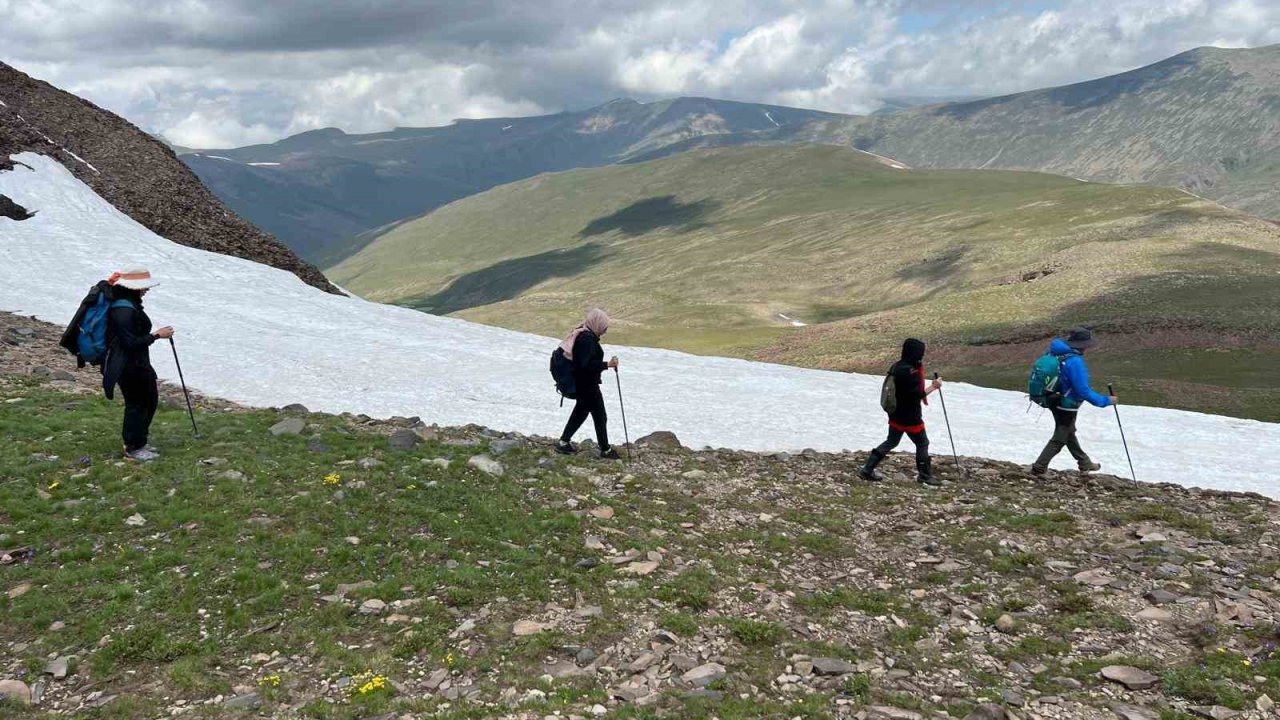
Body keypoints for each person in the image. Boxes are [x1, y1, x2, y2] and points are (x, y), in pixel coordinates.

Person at [102, 269, 174, 462]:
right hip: (128, 365)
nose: (146, 290)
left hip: (137, 363)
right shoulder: (123, 309)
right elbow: (130, 343)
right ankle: (132, 447)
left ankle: (139, 442)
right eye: (144, 287)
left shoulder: (127, 304)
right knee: (138, 403)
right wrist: (157, 335)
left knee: (148, 400)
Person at [1030, 327, 1116, 476]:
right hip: (1067, 404)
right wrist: (1106, 400)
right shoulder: (1075, 361)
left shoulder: (1055, 353)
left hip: (1052, 398)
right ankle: (1039, 468)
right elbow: (1082, 390)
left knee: (1069, 432)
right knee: (1060, 437)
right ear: (1083, 345)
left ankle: (1085, 463)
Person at [860, 338, 943, 485]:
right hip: (911, 417)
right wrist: (934, 386)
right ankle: (924, 475)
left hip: (895, 413)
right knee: (922, 443)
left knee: (891, 441)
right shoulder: (913, 372)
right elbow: (918, 395)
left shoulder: (897, 366)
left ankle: (867, 469)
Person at [555, 308, 621, 460]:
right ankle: (605, 450)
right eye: (604, 327)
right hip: (587, 386)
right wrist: (607, 364)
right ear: (597, 324)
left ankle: (564, 443)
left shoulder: (584, 335)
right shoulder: (587, 340)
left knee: (581, 413)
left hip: (583, 385)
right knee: (599, 416)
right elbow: (584, 365)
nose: (605, 330)